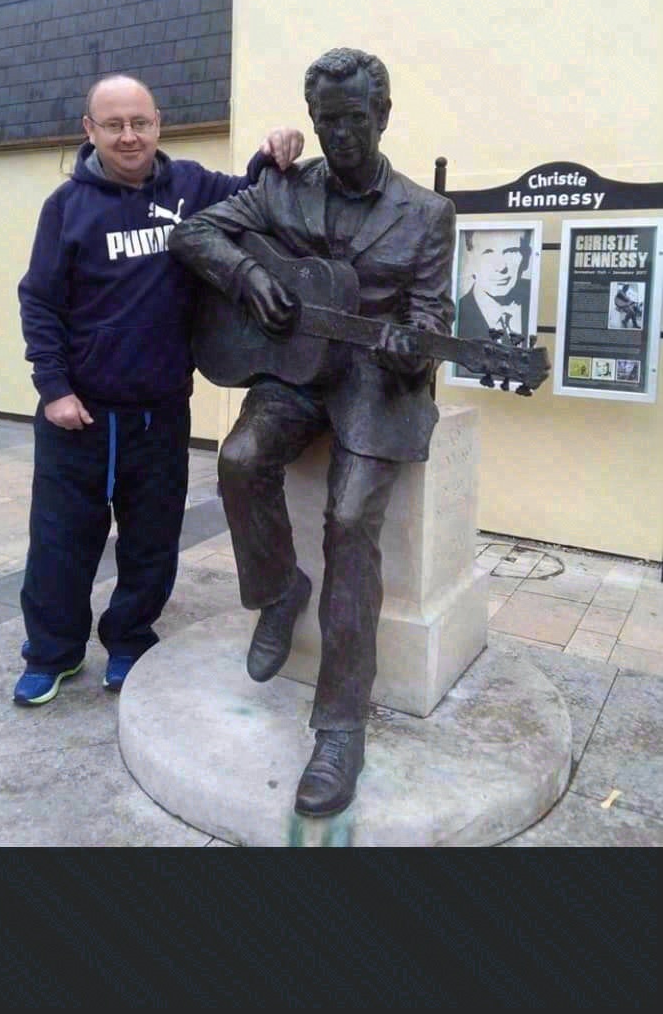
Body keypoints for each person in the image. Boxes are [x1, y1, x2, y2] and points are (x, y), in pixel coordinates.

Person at [168, 48, 455, 816]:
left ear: (383, 116)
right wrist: (248, 276)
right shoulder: (286, 187)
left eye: (355, 119)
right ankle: (278, 589)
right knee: (239, 458)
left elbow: (431, 317)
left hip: (376, 382)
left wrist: (412, 347)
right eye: (328, 121)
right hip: (295, 373)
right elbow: (193, 235)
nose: (341, 135)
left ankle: (339, 729)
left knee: (351, 519)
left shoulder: (426, 214)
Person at [13, 73, 304, 707]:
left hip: (160, 412)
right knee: (61, 544)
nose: (129, 136)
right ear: (89, 130)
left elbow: (254, 194)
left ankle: (130, 640)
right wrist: (53, 388)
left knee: (151, 542)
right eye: (114, 124)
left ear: (158, 124)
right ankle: (53, 653)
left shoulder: (192, 187)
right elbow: (39, 301)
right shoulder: (65, 207)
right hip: (79, 416)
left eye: (140, 122)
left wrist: (276, 148)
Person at [456, 229, 532, 344]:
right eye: (488, 252)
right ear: (470, 259)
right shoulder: (456, 314)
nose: (501, 267)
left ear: (526, 258)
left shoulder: (537, 299)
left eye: (511, 251)